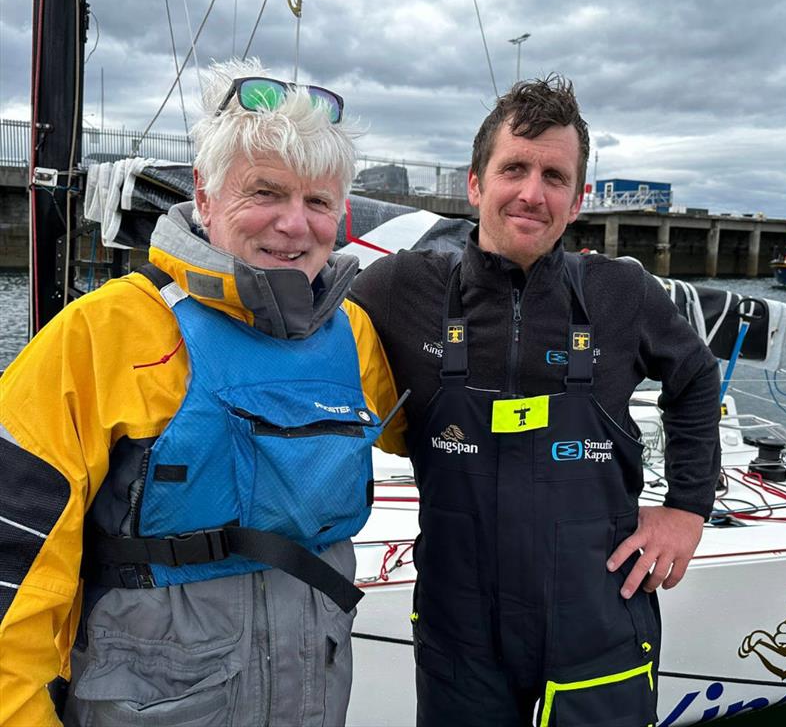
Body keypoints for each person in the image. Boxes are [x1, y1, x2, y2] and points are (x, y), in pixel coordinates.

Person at [0, 58, 405, 727]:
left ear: (342, 215)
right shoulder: (105, 333)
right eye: (266, 193)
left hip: (312, 700)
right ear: (206, 195)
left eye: (317, 202)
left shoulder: (353, 336)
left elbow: (455, 443)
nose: (293, 224)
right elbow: (13, 566)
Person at [349, 76, 721, 727]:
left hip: (598, 632)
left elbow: (693, 376)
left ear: (577, 199)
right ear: (475, 183)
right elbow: (293, 312)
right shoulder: (401, 288)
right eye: (513, 167)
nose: (531, 191)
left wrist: (687, 508)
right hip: (458, 638)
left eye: (554, 175)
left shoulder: (620, 293)